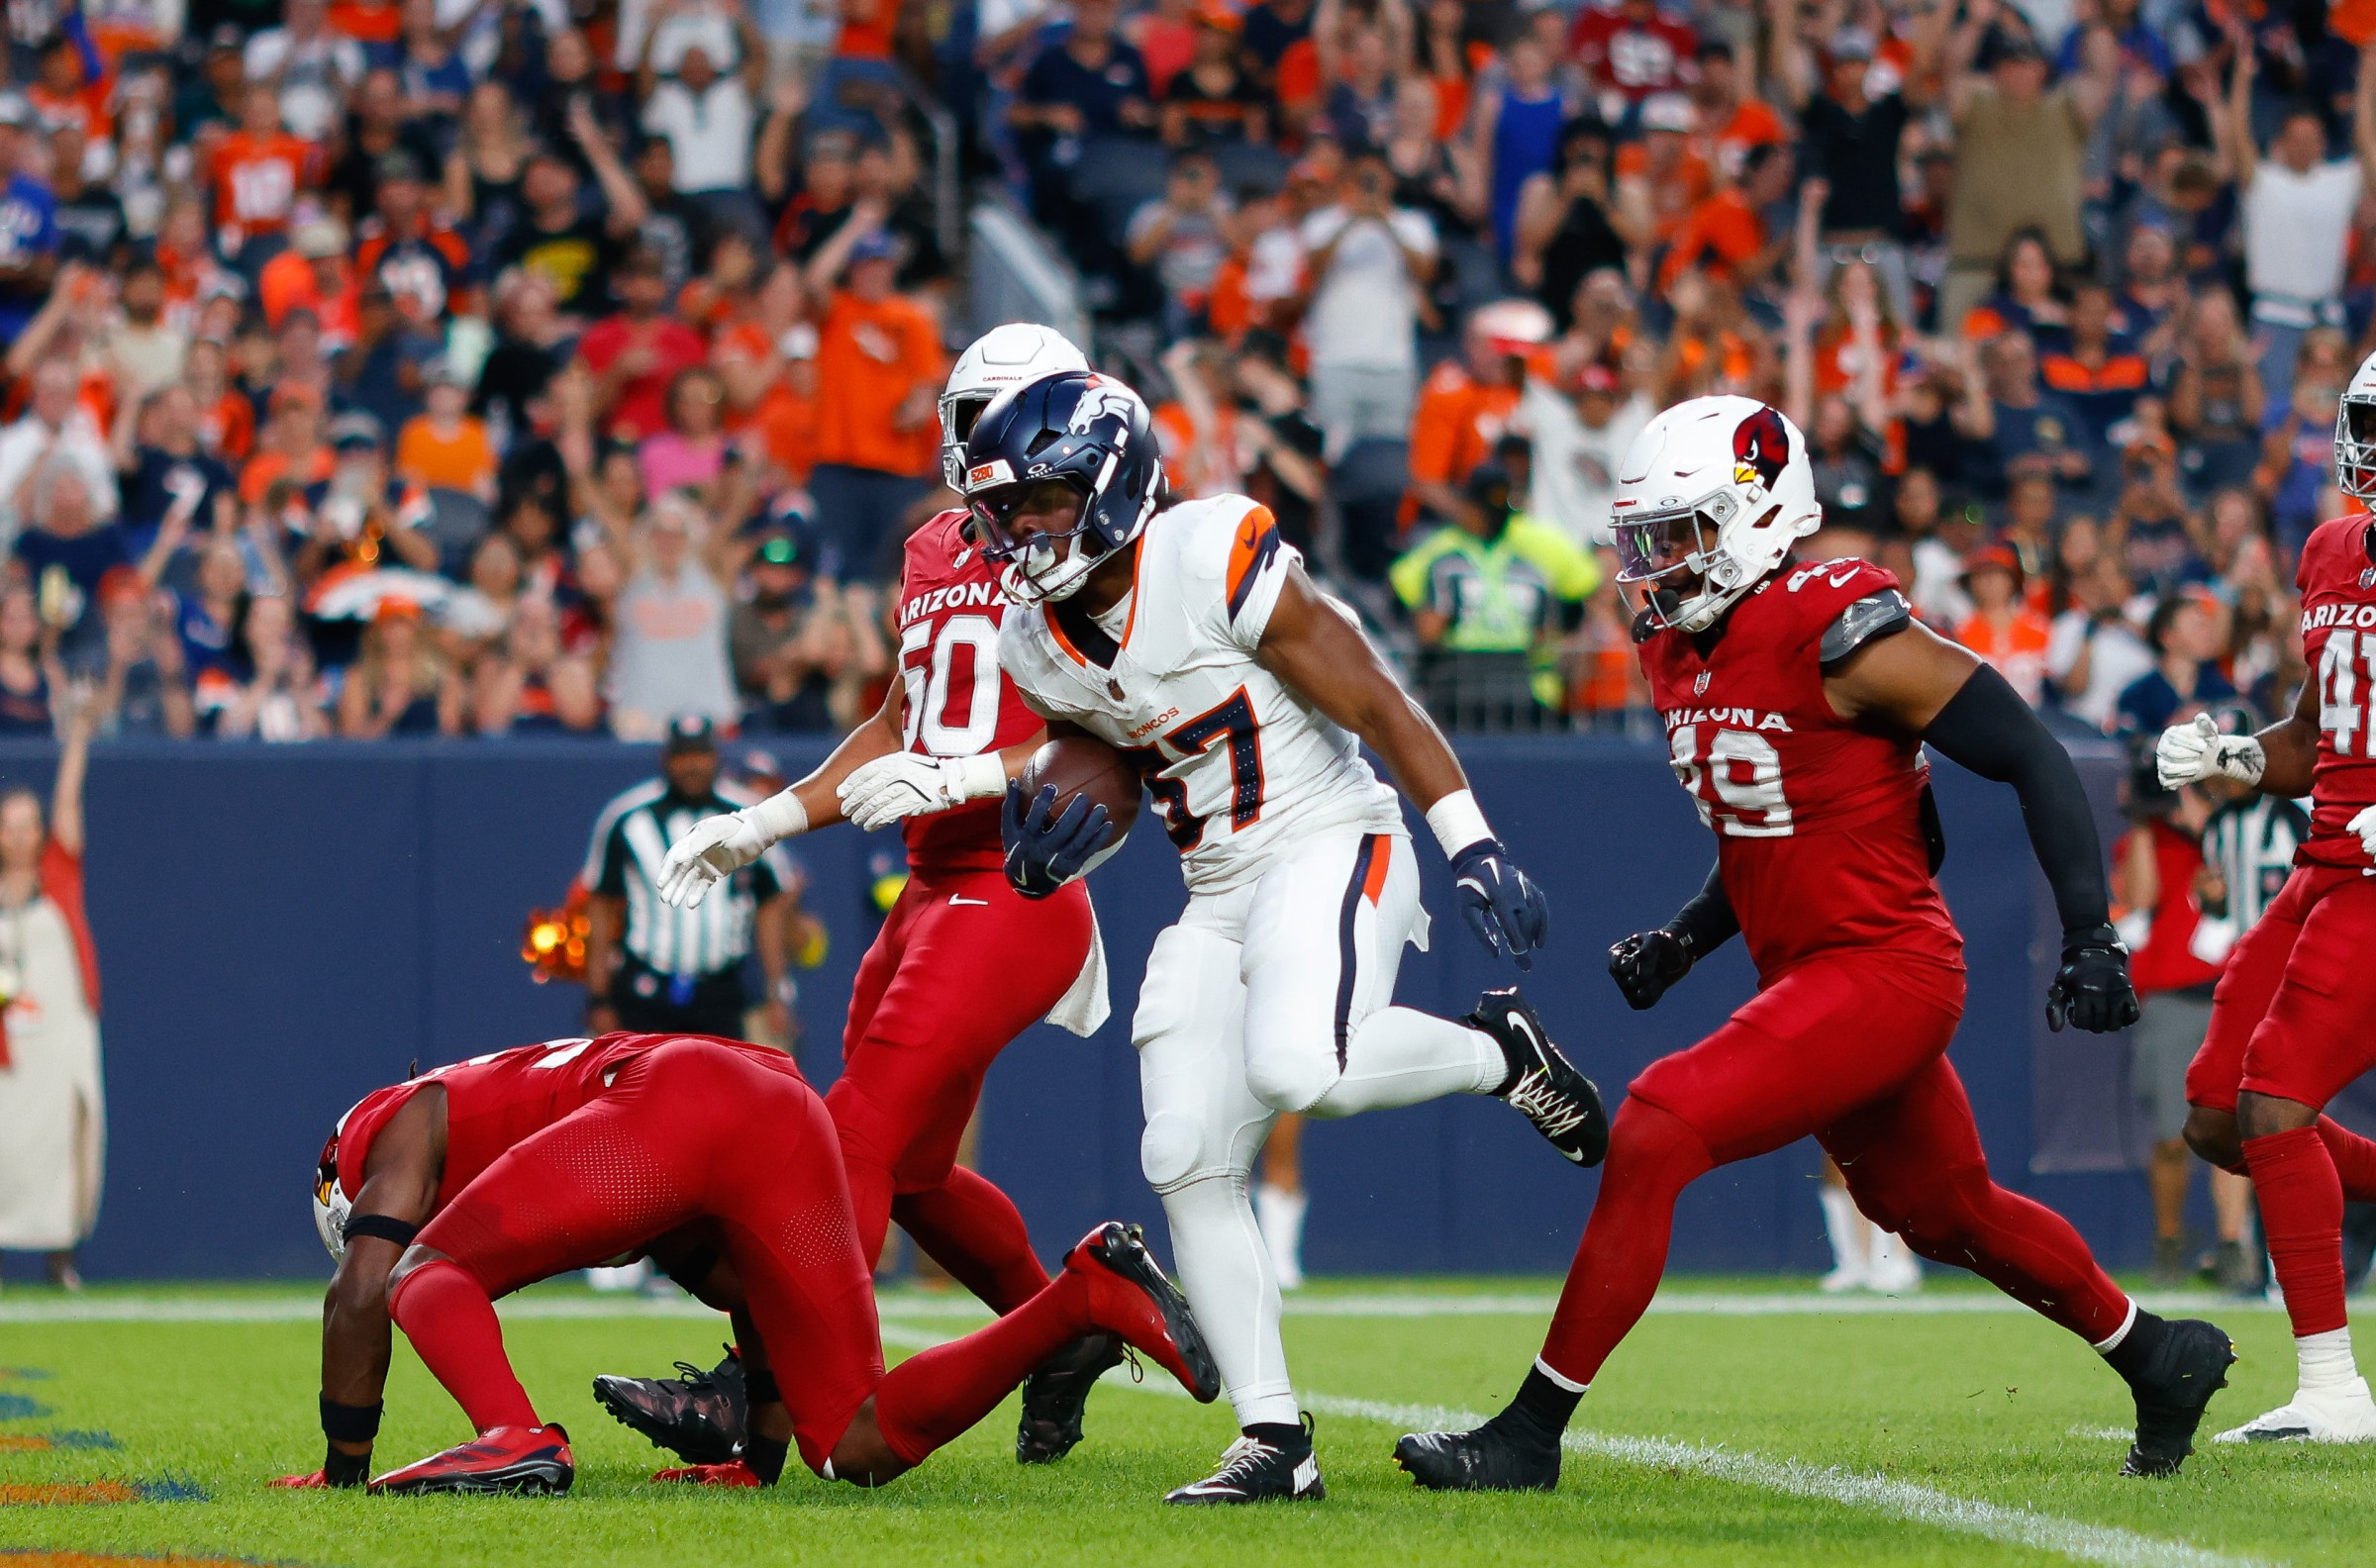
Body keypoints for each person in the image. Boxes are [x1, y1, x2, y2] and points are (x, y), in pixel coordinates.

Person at [1396, 394, 2234, 1492]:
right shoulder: (1681, 650)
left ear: (1758, 513)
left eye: (1684, 532)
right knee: (1941, 1211)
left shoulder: (1844, 629)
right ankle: (2156, 1355)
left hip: (1883, 967)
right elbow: (1770, 827)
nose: (1658, 563)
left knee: (1655, 1125)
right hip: (1813, 967)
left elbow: (2030, 750)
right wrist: (1689, 941)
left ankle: (1530, 1435)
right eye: (1647, 539)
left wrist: (2090, 931)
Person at [964, 368, 1607, 1503]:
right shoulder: (1033, 638)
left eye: (1044, 503)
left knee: (1302, 1063)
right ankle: (1276, 1440)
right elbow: (1121, 775)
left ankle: (1503, 1056)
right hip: (1216, 886)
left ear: (1111, 487)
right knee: (1183, 1155)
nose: (1020, 531)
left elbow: (1369, 693)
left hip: (1328, 836)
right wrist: (1058, 848)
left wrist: (1469, 841)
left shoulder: (1209, 548)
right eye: (1005, 509)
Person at [599, 325, 1146, 1473]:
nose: (967, 445)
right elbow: (903, 721)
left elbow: (1111, 727)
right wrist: (767, 819)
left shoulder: (1087, 542)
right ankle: (1068, 1322)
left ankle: (755, 1402)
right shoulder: (935, 545)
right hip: (931, 880)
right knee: (912, 1174)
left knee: (842, 1134)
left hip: (1017, 876)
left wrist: (963, 777)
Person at [271, 1032, 1219, 1492]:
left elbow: (362, 1287)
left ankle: (516, 1437)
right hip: (770, 1104)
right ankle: (1083, 1295)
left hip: (679, 1097)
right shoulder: (536, 1127)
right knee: (854, 1441)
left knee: (419, 1274)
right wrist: (755, 1459)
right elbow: (740, 1287)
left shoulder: (398, 1120)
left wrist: (341, 1471)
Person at [2148, 345, 2376, 1440]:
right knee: (2215, 1112)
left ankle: (2333, 1388)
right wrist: (2231, 756)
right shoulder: (2332, 550)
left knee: (2278, 1097)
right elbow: (2313, 740)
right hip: (2326, 863)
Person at [581, 718, 798, 1041]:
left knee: (726, 1089)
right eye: (683, 756)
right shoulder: (628, 817)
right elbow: (599, 905)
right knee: (642, 1088)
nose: (692, 766)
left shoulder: (748, 814)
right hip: (645, 988)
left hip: (722, 990)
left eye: (700, 755)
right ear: (666, 759)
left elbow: (772, 901)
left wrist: (777, 990)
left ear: (716, 757)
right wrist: (598, 997)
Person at [0, 697, 101, 1289]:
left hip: (59, 1035)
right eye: (7, 826)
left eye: (26, 825)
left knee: (63, 1135)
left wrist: (79, 736)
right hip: (7, 1045)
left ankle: (60, 1257)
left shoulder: (60, 875)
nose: (17, 836)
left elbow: (68, 802)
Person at [2115, 760, 2228, 1284]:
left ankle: (2233, 1246)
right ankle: (2168, 1238)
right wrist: (2143, 818)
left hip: (2232, 996)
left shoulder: (2234, 830)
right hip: (2171, 1000)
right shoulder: (2147, 839)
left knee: (2235, 1134)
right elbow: (2140, 900)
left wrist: (2202, 810)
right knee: (2171, 1134)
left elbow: (2233, 868)